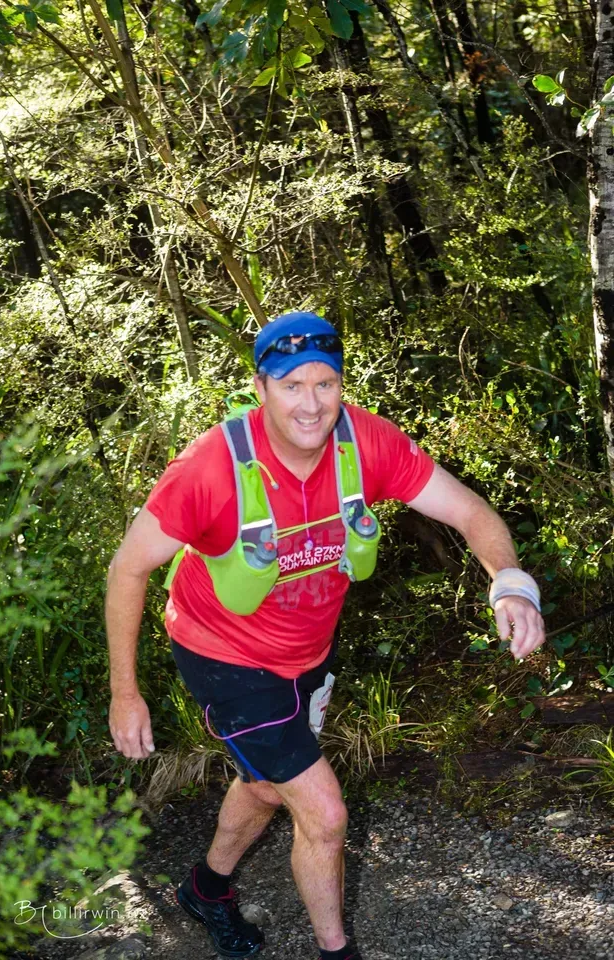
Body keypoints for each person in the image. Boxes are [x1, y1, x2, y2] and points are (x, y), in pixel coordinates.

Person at [106, 311, 545, 960]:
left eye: (325, 384)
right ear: (261, 389)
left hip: (307, 651)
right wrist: (125, 692)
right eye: (291, 385)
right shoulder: (210, 467)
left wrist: (510, 579)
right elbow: (128, 568)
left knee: (263, 784)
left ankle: (205, 889)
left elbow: (469, 511)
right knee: (326, 814)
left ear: (342, 384)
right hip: (220, 655)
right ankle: (336, 950)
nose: (311, 404)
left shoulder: (365, 443)